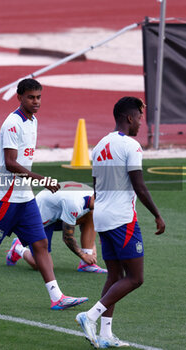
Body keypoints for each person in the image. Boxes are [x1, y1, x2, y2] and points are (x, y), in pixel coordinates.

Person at [0, 78, 88, 310]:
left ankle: (57, 296)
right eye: (31, 97)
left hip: (25, 197)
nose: (36, 101)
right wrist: (43, 180)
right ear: (20, 97)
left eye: (38, 97)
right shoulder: (12, 123)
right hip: (6, 198)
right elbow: (10, 163)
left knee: (39, 244)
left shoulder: (33, 121)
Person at [75, 96, 165, 348]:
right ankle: (89, 315)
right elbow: (139, 185)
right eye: (139, 117)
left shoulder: (100, 145)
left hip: (102, 216)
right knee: (136, 278)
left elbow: (96, 186)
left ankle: (105, 335)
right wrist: (157, 214)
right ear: (129, 117)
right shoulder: (131, 146)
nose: (140, 123)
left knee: (115, 275)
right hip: (122, 218)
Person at [6, 181, 107, 274]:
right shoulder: (75, 203)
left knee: (91, 214)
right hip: (40, 218)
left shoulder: (91, 196)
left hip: (57, 211)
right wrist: (84, 255)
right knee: (43, 266)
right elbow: (67, 237)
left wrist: (94, 244)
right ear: (95, 196)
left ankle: (86, 265)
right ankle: (19, 247)